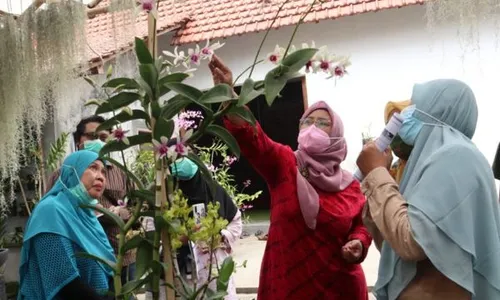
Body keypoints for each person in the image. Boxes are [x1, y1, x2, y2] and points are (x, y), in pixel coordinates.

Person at [209, 55, 372, 299]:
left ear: (336, 134)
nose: (312, 127)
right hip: (290, 287)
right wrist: (229, 96)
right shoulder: (285, 165)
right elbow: (254, 139)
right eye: (307, 121)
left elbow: (362, 226)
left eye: (322, 123)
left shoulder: (350, 186)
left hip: (340, 288)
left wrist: (359, 243)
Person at [357, 79, 500, 300]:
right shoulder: (435, 160)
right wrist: (376, 177)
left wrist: (377, 174)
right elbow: (391, 245)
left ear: (436, 109)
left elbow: (410, 243)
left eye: (414, 106)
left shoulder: (456, 156)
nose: (406, 115)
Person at [46, 116, 136, 285]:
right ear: (78, 141)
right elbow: (52, 213)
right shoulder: (62, 175)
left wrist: (118, 213)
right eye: (92, 137)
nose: (98, 142)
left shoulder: (122, 173)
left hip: (120, 256)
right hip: (83, 257)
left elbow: (138, 208)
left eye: (103, 138)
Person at [18, 151, 115, 300]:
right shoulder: (50, 211)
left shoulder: (88, 215)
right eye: (93, 167)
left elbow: (109, 270)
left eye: (103, 172)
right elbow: (65, 282)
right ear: (71, 172)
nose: (101, 176)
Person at [169, 149, 241, 300]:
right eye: (183, 183)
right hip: (183, 271)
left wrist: (220, 237)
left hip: (215, 263)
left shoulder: (214, 192)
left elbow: (236, 222)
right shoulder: (172, 201)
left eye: (191, 181)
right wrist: (183, 237)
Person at [384, 100, 411, 183]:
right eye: (391, 125)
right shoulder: (394, 171)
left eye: (400, 123)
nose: (396, 132)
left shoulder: (433, 161)